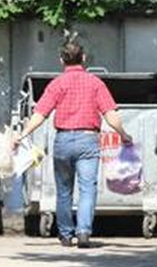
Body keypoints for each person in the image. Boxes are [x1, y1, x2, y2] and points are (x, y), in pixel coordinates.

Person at [15, 40, 133, 248]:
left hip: (63, 140)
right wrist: (123, 134)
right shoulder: (95, 83)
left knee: (63, 190)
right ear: (84, 58)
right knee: (88, 189)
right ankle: (84, 233)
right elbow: (110, 113)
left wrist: (22, 135)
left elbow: (40, 114)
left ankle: (66, 235)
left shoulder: (57, 84)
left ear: (61, 60)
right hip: (88, 140)